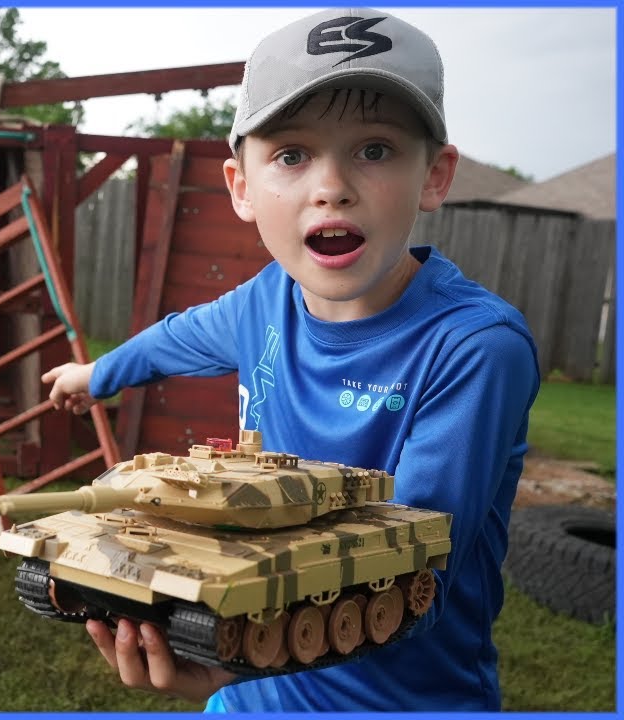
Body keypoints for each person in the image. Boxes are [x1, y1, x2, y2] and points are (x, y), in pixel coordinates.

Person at [41, 7, 540, 712]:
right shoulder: (263, 303)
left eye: (375, 149)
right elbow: (175, 338)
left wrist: (234, 661)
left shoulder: (475, 348)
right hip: (248, 695)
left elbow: (414, 572)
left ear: (435, 175)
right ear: (242, 186)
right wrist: (94, 376)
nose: (330, 185)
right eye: (291, 154)